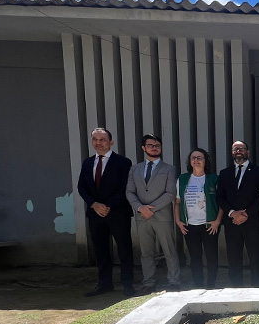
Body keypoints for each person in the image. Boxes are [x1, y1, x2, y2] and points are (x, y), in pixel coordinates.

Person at [77, 127, 135, 297]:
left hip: (118, 212)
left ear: (111, 142)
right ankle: (104, 284)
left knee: (124, 249)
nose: (98, 143)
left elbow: (125, 187)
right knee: (100, 249)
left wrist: (107, 206)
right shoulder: (88, 163)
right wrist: (94, 204)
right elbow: (82, 187)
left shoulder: (123, 162)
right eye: (95, 139)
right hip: (95, 213)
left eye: (102, 139)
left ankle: (128, 284)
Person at [126, 133, 180, 295]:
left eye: (157, 146)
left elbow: (170, 193)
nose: (154, 148)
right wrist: (140, 208)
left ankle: (174, 281)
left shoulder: (169, 169)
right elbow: (129, 192)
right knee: (146, 252)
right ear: (144, 148)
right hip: (141, 216)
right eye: (150, 145)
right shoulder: (135, 169)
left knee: (169, 250)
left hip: (162, 215)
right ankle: (148, 282)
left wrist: (151, 208)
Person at [216, 141, 259, 287]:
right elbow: (220, 197)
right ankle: (236, 290)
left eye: (241, 148)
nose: (238, 151)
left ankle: (257, 290)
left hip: (252, 222)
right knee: (233, 259)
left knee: (256, 259)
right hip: (232, 223)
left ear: (247, 152)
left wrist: (246, 214)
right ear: (232, 152)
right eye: (235, 149)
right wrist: (233, 213)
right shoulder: (224, 173)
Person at [175, 148, 223, 289]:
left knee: (211, 257)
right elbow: (177, 202)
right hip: (189, 226)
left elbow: (222, 202)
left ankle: (211, 286)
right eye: (193, 158)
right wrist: (178, 221)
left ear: (205, 160)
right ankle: (198, 285)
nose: (196, 160)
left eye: (199, 157)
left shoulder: (213, 179)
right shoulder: (183, 179)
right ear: (190, 161)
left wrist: (217, 221)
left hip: (209, 225)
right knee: (195, 257)